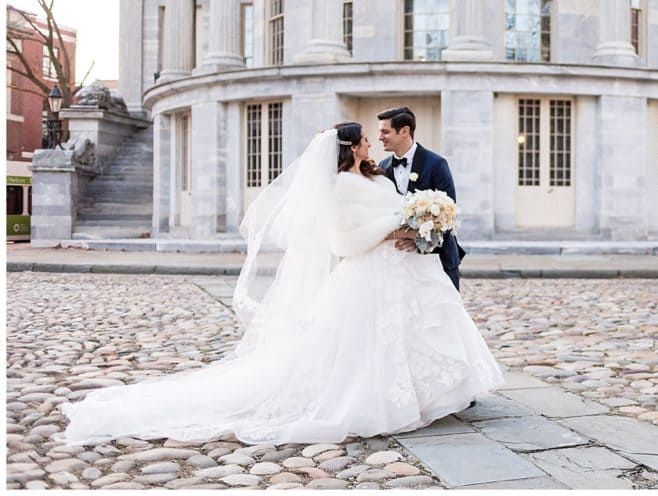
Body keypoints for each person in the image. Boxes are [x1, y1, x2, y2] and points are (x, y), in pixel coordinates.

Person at [59, 123, 502, 445]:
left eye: (375, 136)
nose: (373, 143)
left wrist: (419, 227)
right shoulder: (340, 187)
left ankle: (436, 395)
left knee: (421, 329)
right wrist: (395, 232)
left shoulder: (374, 174)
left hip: (405, 271)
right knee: (371, 345)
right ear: (349, 149)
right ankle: (386, 399)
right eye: (366, 139)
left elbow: (396, 210)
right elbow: (343, 240)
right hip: (371, 272)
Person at [377, 106, 465, 290]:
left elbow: (448, 212)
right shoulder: (383, 167)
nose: (379, 137)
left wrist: (420, 241)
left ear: (404, 131)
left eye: (385, 132)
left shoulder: (436, 164)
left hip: (437, 258)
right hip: (400, 262)